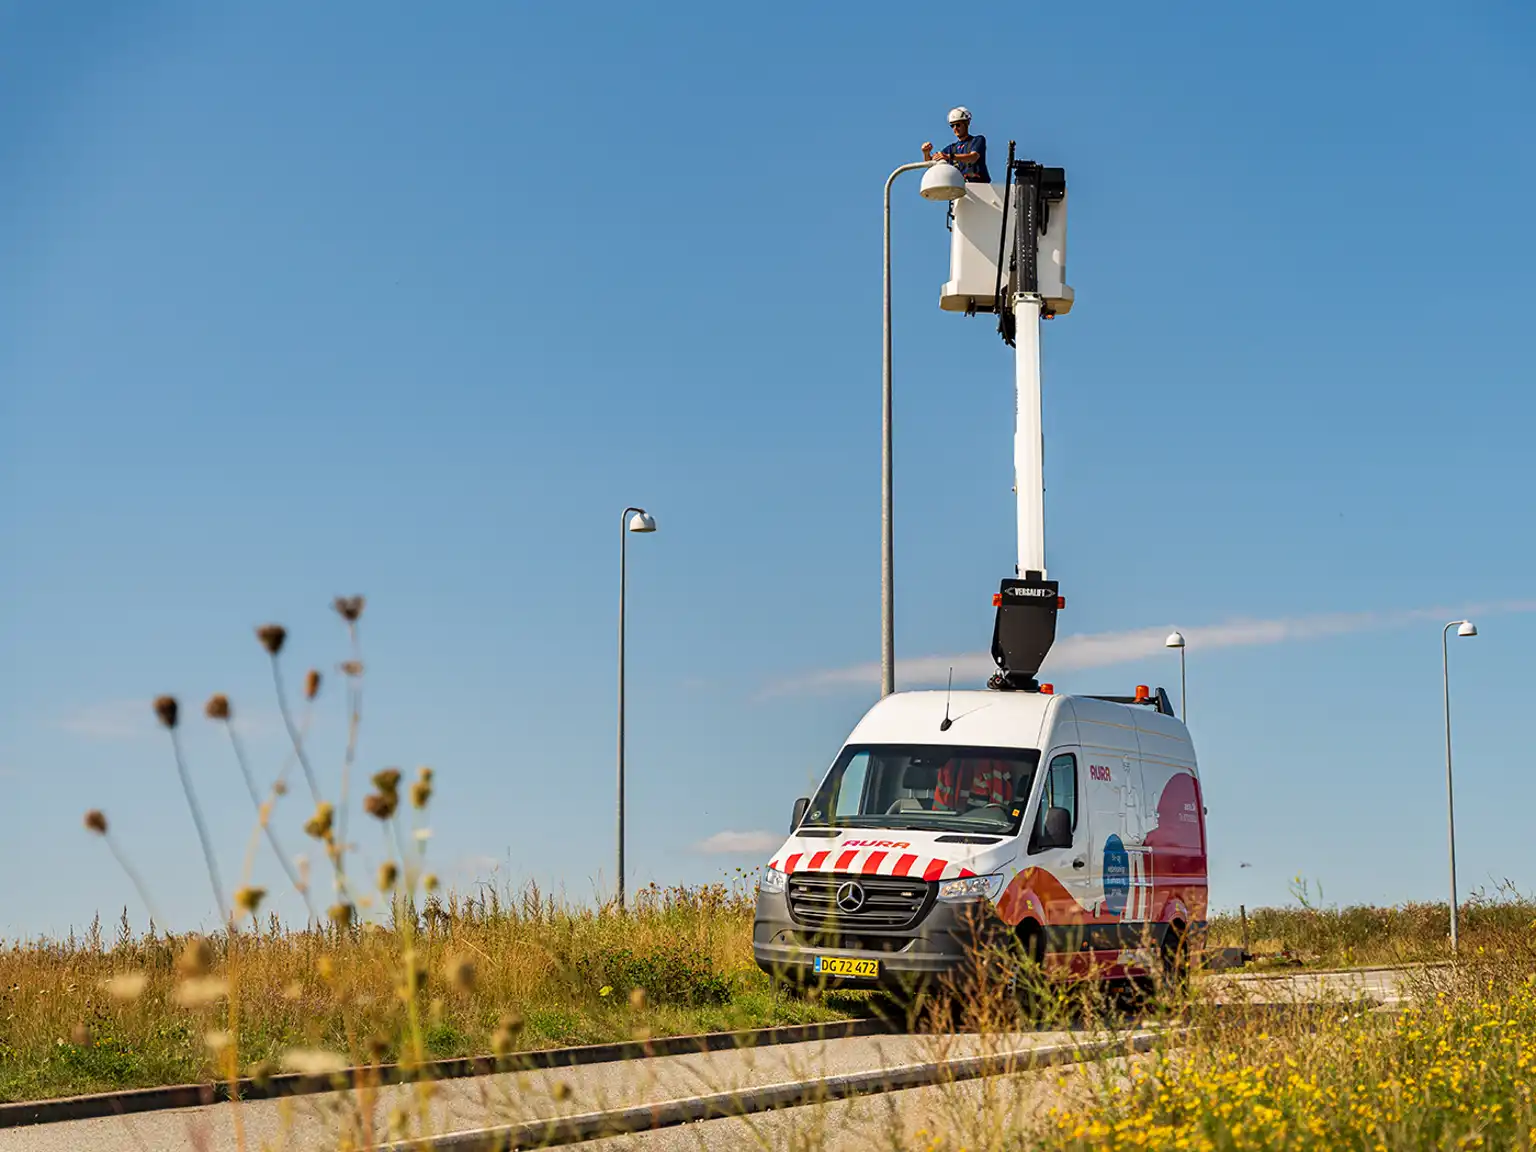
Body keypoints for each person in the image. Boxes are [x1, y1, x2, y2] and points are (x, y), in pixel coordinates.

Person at [922, 107, 990, 183]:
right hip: (960, 188)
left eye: (958, 125)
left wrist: (949, 156)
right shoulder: (951, 148)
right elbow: (932, 165)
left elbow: (973, 157)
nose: (955, 128)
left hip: (980, 187)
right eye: (952, 126)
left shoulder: (977, 140)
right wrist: (926, 153)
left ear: (967, 123)